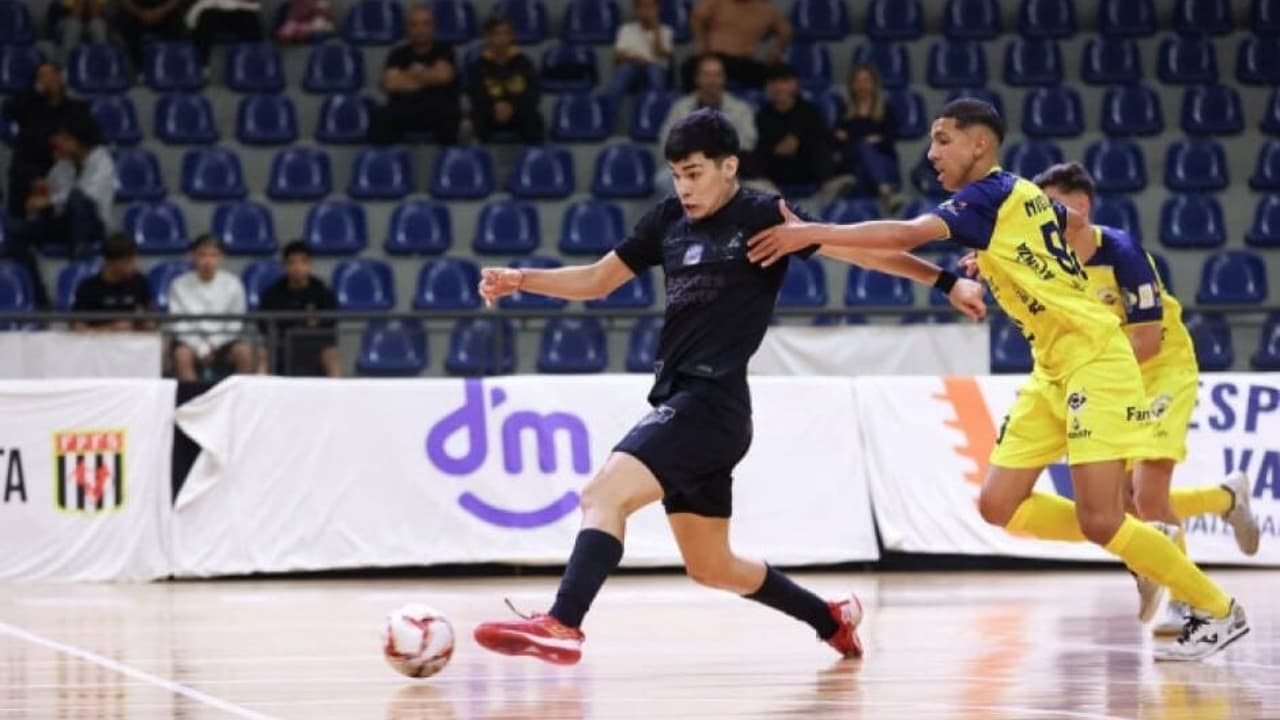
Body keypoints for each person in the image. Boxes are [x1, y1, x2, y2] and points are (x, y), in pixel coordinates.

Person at [470, 108, 987, 665]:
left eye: (694, 173)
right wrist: (524, 279)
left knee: (602, 496)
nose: (684, 187)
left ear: (728, 167)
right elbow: (599, 279)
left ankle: (563, 622)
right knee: (712, 566)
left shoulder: (764, 216)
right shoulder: (667, 220)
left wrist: (945, 281)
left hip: (710, 400)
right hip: (688, 404)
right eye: (676, 175)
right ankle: (829, 617)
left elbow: (856, 250)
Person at [745, 99, 1249, 662]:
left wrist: (812, 229)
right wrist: (1010, 255)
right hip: (1051, 369)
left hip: (1095, 357)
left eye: (942, 140)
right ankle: (1154, 548)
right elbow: (1073, 223)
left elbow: (906, 236)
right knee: (997, 505)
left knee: (1102, 517)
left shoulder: (986, 195)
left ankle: (1217, 609)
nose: (931, 153)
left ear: (979, 144)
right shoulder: (1017, 197)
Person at [1029, 161, 1261, 636]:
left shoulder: (1121, 252)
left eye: (1051, 206)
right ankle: (1225, 498)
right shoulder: (1049, 260)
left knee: (1148, 493)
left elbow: (1148, 342)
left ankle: (1188, 601)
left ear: (1081, 205)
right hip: (1112, 377)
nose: (1044, 218)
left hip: (1160, 370)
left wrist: (1089, 383)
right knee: (1125, 503)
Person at [7, 113, 116, 308]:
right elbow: (51, 191)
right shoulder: (64, 163)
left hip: (93, 225)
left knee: (78, 200)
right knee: (16, 230)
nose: (58, 142)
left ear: (80, 141)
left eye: (66, 138)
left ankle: (78, 263)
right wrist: (39, 196)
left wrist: (49, 201)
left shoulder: (102, 160)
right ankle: (38, 296)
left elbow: (85, 196)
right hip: (65, 221)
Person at [4, 61, 92, 220]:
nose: (47, 80)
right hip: (28, 171)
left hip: (64, 170)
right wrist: (35, 91)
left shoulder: (76, 108)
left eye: (50, 75)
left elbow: (89, 139)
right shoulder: (29, 105)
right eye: (41, 77)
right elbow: (9, 110)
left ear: (60, 77)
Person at [368, 5, 461, 145]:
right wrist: (428, 76)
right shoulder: (397, 54)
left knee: (451, 114)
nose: (420, 30)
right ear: (408, 29)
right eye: (414, 25)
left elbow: (443, 76)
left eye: (425, 24)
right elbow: (391, 84)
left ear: (433, 27)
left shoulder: (445, 51)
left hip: (436, 107)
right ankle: (386, 162)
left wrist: (409, 76)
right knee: (379, 116)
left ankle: (447, 162)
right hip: (404, 109)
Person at [169, 234, 255, 381]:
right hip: (190, 342)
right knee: (182, 355)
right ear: (193, 257)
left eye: (214, 255)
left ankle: (238, 401)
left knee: (244, 352)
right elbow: (179, 323)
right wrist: (200, 347)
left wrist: (214, 343)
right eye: (202, 255)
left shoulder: (233, 283)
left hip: (225, 341)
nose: (208, 261)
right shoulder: (178, 284)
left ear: (221, 258)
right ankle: (193, 400)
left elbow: (235, 323)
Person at [257, 241, 340, 377]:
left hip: (315, 345)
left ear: (310, 265)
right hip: (281, 345)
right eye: (292, 263)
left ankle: (338, 396)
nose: (298, 267)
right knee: (263, 355)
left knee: (331, 355)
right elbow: (263, 323)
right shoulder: (272, 293)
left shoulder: (322, 292)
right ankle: (257, 396)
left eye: (303, 262)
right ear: (285, 266)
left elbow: (331, 323)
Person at [832, 63, 903, 214]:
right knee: (862, 148)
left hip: (883, 164)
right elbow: (836, 140)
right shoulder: (844, 110)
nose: (861, 85)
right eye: (857, 81)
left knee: (862, 166)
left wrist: (851, 137)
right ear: (851, 85)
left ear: (874, 84)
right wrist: (870, 140)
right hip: (852, 163)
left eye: (866, 80)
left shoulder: (886, 110)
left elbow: (890, 140)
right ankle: (885, 192)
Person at [754, 63, 831, 191]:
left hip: (805, 166)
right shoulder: (762, 115)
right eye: (774, 82)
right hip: (776, 169)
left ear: (794, 85)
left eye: (784, 82)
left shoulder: (809, 111)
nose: (778, 87)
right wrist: (776, 148)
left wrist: (797, 141)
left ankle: (827, 187)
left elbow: (820, 137)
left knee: (820, 147)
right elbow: (761, 146)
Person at [467, 15, 543, 143]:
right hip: (490, 112)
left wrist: (512, 106)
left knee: (533, 118)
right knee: (477, 117)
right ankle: (481, 158)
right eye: (497, 34)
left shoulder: (524, 63)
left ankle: (532, 158)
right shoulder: (479, 65)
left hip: (518, 111)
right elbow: (476, 94)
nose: (502, 39)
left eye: (506, 33)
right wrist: (495, 106)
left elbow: (533, 93)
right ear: (488, 37)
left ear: (511, 36)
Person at [682, 0, 789, 91]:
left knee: (776, 75)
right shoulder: (717, 3)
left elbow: (785, 32)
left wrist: (776, 50)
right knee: (690, 67)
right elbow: (697, 16)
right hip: (715, 57)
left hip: (744, 62)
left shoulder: (766, 10)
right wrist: (701, 43)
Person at [70, 231, 153, 331]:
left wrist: (146, 324)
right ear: (111, 263)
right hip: (97, 343)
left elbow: (151, 317)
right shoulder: (87, 288)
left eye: (134, 259)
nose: (134, 265)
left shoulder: (139, 281)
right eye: (128, 261)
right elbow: (77, 327)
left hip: (131, 342)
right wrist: (109, 329)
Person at [605, 0, 673, 111]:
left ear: (657, 9)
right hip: (632, 66)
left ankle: (657, 114)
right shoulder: (626, 29)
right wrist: (634, 58)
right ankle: (608, 122)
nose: (647, 11)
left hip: (655, 67)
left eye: (651, 7)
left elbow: (662, 54)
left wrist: (656, 28)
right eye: (643, 7)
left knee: (654, 72)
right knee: (622, 73)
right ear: (637, 10)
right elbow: (617, 56)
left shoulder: (666, 31)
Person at [185, 0, 265, 67]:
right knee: (205, 21)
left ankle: (251, 66)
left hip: (242, 10)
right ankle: (202, 67)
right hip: (213, 9)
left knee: (250, 22)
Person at [117, 0, 188, 67]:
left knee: (179, 28)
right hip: (133, 12)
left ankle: (173, 68)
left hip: (167, 13)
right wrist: (138, 12)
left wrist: (162, 10)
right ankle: (133, 69)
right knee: (121, 26)